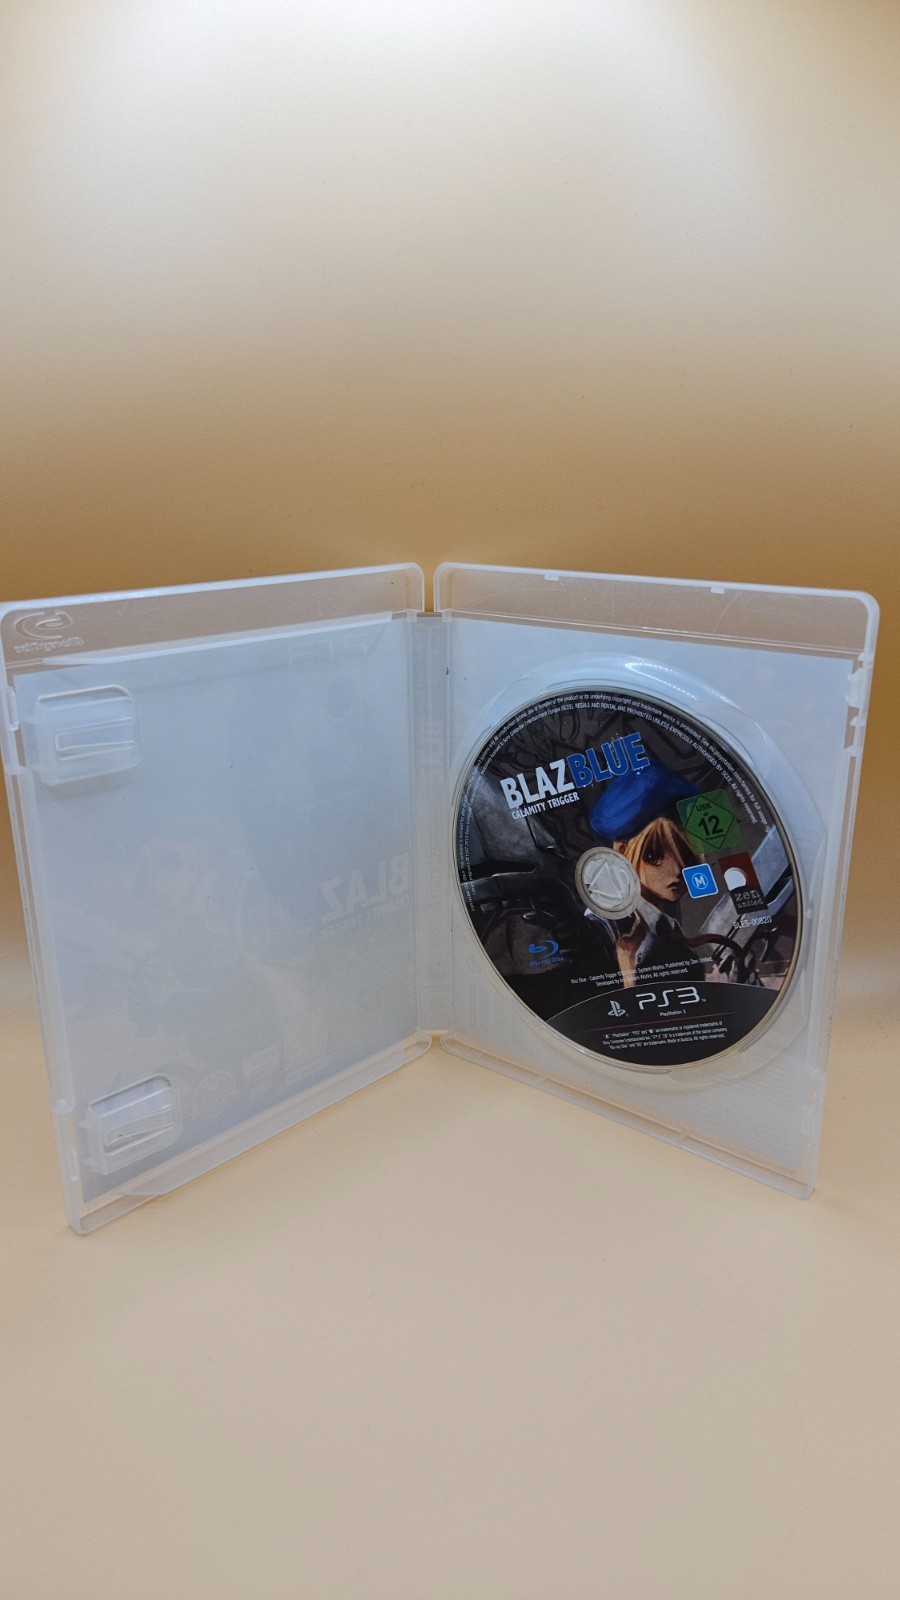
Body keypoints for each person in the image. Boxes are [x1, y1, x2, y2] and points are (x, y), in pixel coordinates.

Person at [589, 763, 706, 988]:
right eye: (654, 856)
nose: (676, 871)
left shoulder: (670, 925)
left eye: (685, 855)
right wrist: (628, 977)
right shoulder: (601, 931)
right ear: (623, 852)